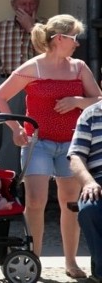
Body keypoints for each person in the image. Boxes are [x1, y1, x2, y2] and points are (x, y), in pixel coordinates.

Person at [0, 14, 102, 279]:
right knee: (36, 201)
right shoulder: (34, 67)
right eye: (74, 38)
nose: (77, 44)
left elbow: (98, 99)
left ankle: (71, 262)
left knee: (70, 202)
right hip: (36, 143)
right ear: (60, 38)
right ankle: (34, 260)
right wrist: (16, 130)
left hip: (72, 145)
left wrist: (77, 101)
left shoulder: (78, 67)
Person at [0, 0, 41, 172]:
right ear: (13, 5)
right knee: (9, 137)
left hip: (38, 89)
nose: (28, 8)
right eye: (23, 4)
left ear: (37, 4)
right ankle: (10, 182)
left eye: (32, 4)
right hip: (9, 89)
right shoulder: (2, 28)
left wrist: (32, 29)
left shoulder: (45, 28)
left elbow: (52, 56)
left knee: (37, 136)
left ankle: (34, 181)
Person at [68, 101, 102, 282]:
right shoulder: (91, 114)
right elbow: (76, 156)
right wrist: (88, 182)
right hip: (98, 181)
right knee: (90, 210)